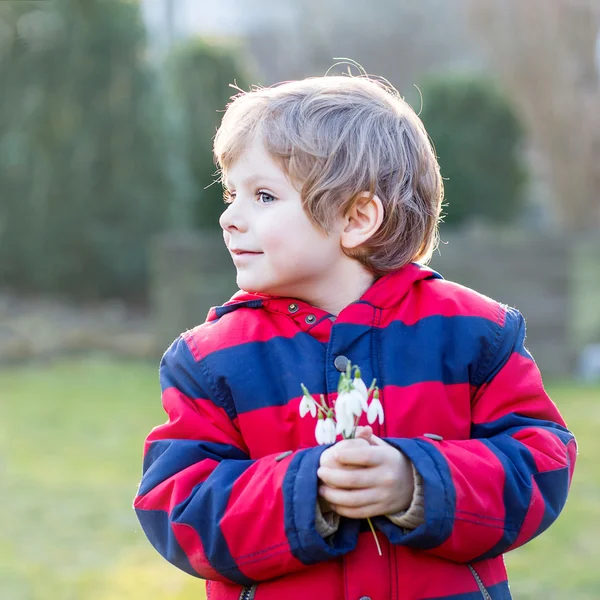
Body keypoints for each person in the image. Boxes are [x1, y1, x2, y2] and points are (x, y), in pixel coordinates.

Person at [133, 75, 577, 600]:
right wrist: (308, 489)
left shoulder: (475, 333)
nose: (229, 218)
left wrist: (417, 481)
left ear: (357, 217)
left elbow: (541, 464)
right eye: (233, 194)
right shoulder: (209, 360)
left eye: (263, 195)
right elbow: (177, 510)